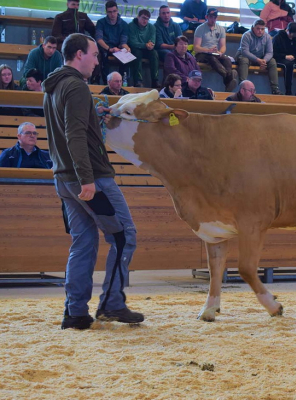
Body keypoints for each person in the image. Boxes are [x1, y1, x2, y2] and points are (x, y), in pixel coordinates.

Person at [42, 33, 144, 330]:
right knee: (124, 235)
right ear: (78, 55)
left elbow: (67, 127)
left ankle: (75, 312)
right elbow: (73, 134)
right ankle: (112, 303)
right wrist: (87, 180)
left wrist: (91, 113)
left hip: (63, 178)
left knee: (84, 241)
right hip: (89, 178)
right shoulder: (75, 86)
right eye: (93, 54)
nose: (97, 60)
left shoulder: (54, 85)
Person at [193, 8, 238, 92]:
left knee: (226, 59)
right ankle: (229, 77)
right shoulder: (200, 28)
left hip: (214, 53)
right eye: (211, 17)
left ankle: (228, 83)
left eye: (215, 17)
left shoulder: (221, 29)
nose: (213, 19)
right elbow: (196, 48)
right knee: (211, 58)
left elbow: (223, 46)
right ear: (206, 16)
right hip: (202, 53)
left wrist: (220, 52)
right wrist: (208, 50)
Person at [236, 19, 282, 95]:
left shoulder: (267, 37)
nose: (260, 31)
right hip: (247, 57)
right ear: (253, 28)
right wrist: (258, 60)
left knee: (272, 61)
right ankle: (242, 87)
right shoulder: (246, 35)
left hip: (261, 58)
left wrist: (264, 60)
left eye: (262, 29)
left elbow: (270, 52)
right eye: (258, 28)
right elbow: (245, 52)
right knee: (244, 60)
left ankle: (275, 89)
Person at [95, 1, 130, 85]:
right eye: (110, 12)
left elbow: (123, 41)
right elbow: (99, 39)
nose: (112, 14)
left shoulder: (124, 24)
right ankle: (106, 83)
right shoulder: (101, 22)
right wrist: (109, 49)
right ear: (106, 12)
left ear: (117, 11)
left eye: (114, 11)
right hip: (105, 47)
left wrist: (127, 48)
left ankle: (122, 82)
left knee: (126, 56)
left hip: (117, 47)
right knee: (103, 55)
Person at [272, 22, 296, 96]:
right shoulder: (278, 38)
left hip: (294, 58)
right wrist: (285, 56)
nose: (292, 37)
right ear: (287, 30)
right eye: (291, 34)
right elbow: (273, 53)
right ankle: (288, 91)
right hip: (280, 59)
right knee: (289, 65)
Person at [128, 9, 159, 88]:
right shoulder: (131, 26)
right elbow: (133, 42)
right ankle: (138, 80)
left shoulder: (152, 27)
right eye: (143, 18)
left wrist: (151, 45)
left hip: (147, 49)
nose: (145, 20)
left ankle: (155, 80)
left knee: (154, 53)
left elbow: (152, 40)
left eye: (147, 19)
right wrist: (145, 45)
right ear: (138, 17)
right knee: (137, 53)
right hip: (135, 48)